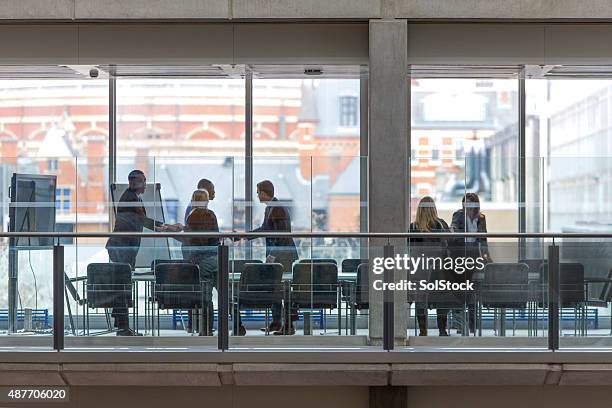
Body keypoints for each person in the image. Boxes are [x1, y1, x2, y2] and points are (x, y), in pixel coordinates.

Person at [106, 169, 181, 336]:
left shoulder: (132, 197)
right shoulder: (130, 198)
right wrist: (167, 227)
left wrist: (165, 227)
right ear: (134, 182)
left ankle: (121, 324)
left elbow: (142, 221)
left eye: (145, 180)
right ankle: (123, 327)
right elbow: (144, 221)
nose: (145, 184)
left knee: (122, 283)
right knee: (123, 285)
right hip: (121, 248)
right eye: (142, 181)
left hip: (124, 247)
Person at [238, 180, 299, 335]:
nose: (257, 195)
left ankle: (288, 326)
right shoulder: (271, 208)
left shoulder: (277, 209)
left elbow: (283, 236)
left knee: (283, 290)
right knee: (275, 290)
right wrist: (245, 236)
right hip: (280, 254)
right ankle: (277, 323)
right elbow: (266, 229)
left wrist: (272, 255)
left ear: (264, 193)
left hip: (283, 256)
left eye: (258, 192)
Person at [177, 189, 220, 335]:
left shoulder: (192, 216)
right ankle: (210, 329)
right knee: (218, 296)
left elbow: (191, 239)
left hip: (202, 260)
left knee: (205, 297)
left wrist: (175, 233)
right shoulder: (211, 215)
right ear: (206, 200)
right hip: (216, 259)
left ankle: (205, 330)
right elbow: (216, 238)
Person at [450, 192, 491, 335]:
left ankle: (473, 325)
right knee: (462, 289)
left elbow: (483, 239)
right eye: (466, 204)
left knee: (472, 291)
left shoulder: (481, 218)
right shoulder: (458, 215)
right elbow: (454, 230)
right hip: (460, 255)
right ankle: (460, 324)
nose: (468, 207)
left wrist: (486, 257)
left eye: (471, 204)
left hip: (473, 254)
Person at [409, 196, 451, 336]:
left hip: (419, 270)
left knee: (420, 300)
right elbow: (448, 245)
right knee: (441, 300)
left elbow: (410, 250)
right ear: (434, 209)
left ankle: (422, 331)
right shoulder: (441, 225)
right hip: (439, 270)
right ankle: (442, 330)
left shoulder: (413, 227)